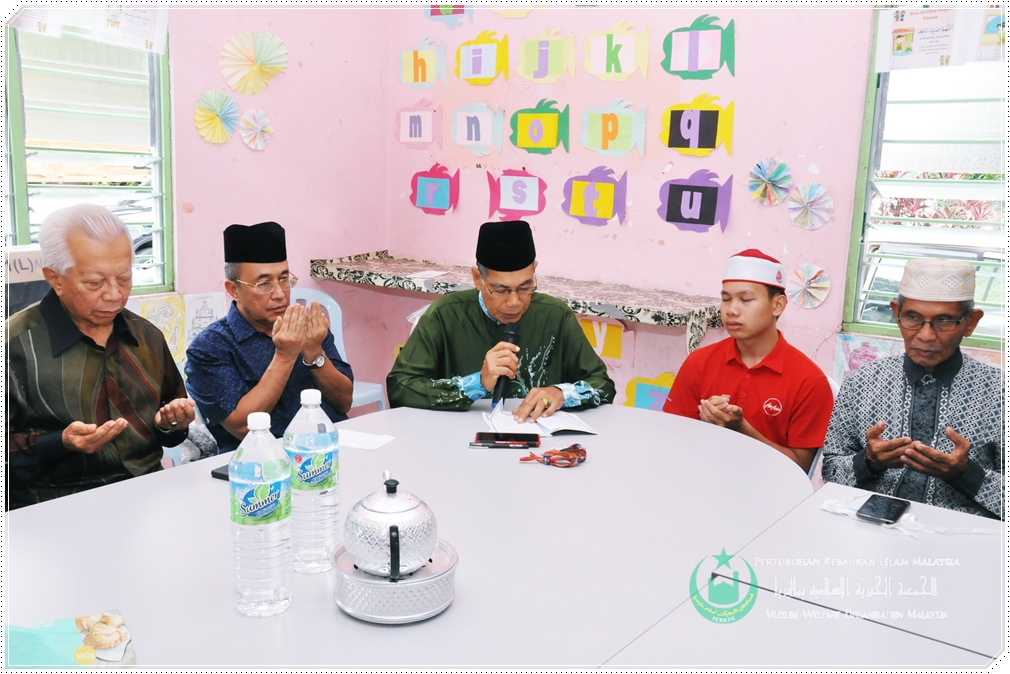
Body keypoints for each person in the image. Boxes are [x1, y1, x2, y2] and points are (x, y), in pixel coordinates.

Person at [7, 204, 195, 509]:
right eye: (95, 283)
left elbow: (169, 430)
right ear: (55, 278)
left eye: (124, 278)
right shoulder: (15, 345)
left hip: (148, 498)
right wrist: (59, 443)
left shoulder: (146, 336)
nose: (114, 295)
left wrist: (172, 424)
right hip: (54, 505)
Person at [822, 259, 1002, 519]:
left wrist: (965, 475)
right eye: (913, 318)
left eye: (944, 321)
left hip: (964, 534)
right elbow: (829, 472)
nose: (926, 336)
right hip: (869, 528)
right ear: (897, 313)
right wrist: (869, 462)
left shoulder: (999, 392)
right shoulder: (862, 381)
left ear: (970, 323)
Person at [387, 220, 615, 420]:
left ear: (534, 272)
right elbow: (399, 387)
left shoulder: (555, 315)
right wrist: (477, 383)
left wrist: (560, 393)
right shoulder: (445, 315)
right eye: (500, 290)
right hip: (459, 440)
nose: (514, 302)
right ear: (478, 278)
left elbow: (602, 385)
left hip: (538, 441)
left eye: (525, 287)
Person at [185, 222, 354, 452]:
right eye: (264, 284)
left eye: (284, 279)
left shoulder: (305, 325)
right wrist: (285, 356)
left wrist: (314, 351)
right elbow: (242, 427)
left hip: (328, 448)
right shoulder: (210, 347)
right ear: (233, 290)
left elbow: (344, 402)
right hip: (261, 461)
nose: (279, 294)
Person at [662, 249, 834, 472]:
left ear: (778, 305)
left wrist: (741, 429)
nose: (731, 310)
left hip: (771, 489)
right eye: (726, 299)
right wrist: (705, 425)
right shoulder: (699, 362)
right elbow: (673, 438)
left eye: (746, 300)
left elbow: (801, 469)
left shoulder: (809, 381)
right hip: (699, 478)